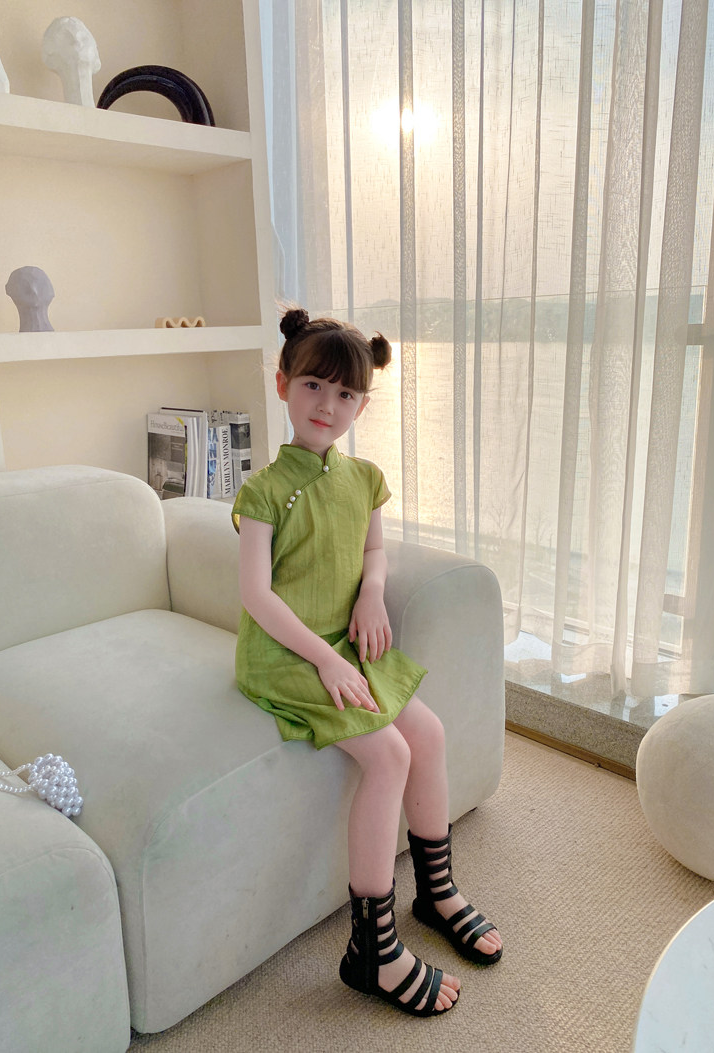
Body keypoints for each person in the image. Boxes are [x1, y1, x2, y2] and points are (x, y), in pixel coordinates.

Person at [232, 308, 502, 1017]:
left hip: (344, 643)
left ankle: (436, 893)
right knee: (388, 755)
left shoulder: (365, 478)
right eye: (314, 385)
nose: (328, 405)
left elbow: (373, 551)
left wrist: (373, 593)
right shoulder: (263, 491)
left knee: (428, 734)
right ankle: (372, 950)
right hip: (288, 653)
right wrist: (325, 659)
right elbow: (256, 595)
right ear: (283, 383)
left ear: (363, 403)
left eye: (346, 393)